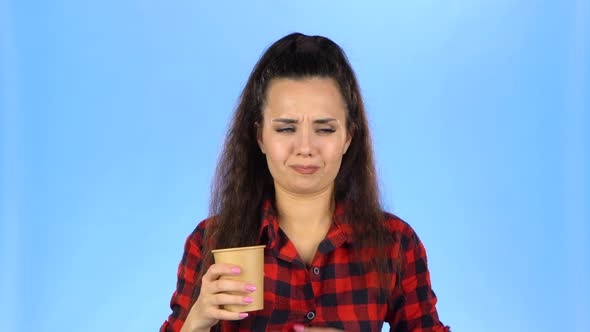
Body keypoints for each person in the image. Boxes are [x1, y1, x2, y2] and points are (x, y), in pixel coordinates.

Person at [160, 32, 450, 332]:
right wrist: (195, 323)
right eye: (286, 129)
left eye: (324, 129)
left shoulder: (395, 242)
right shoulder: (211, 241)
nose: (306, 147)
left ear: (349, 136)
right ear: (260, 137)